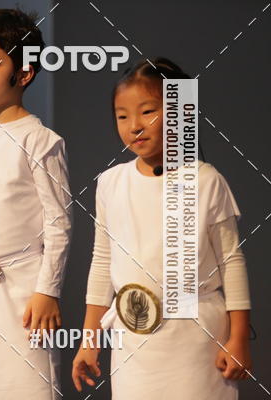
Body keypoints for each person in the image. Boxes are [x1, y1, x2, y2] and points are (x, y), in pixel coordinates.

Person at [72, 57, 252, 399]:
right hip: (133, 341)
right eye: (122, 116)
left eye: (147, 112)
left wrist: (239, 337)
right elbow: (103, 263)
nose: (134, 126)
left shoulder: (205, 180)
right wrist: (89, 341)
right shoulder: (111, 182)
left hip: (196, 341)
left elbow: (231, 261)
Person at [0, 9, 72, 400]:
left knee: (28, 386)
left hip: (23, 294)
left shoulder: (40, 141)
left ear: (24, 73)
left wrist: (47, 291)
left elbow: (59, 223)